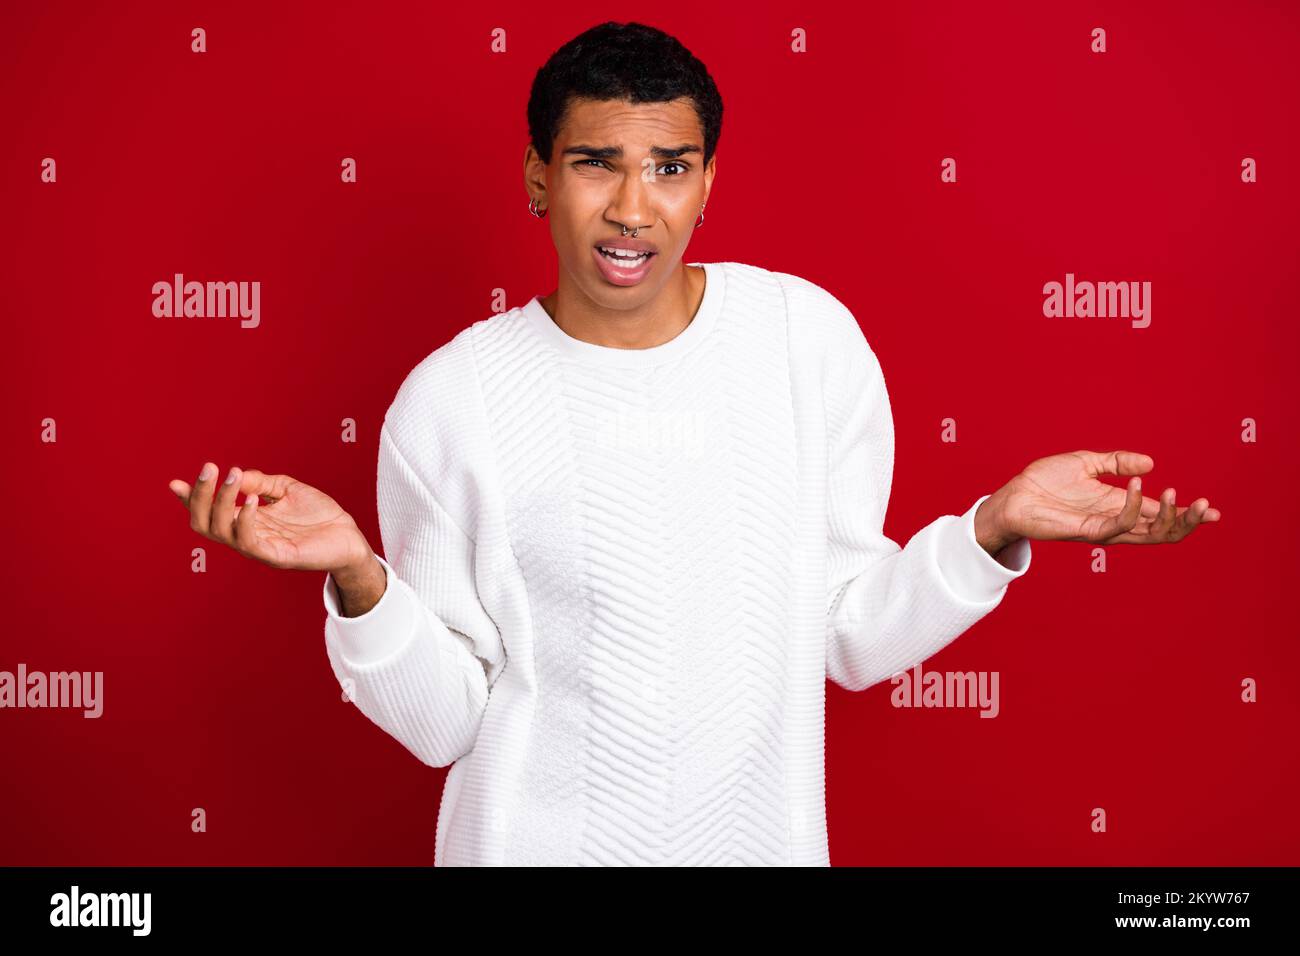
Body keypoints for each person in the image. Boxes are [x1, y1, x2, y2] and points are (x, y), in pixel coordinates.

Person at [168, 21, 1220, 866]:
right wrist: (359, 578)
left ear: (709, 180)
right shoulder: (452, 401)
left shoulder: (805, 343)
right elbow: (448, 723)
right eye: (596, 164)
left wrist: (991, 530)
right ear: (538, 177)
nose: (634, 207)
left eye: (670, 166)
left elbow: (849, 634)